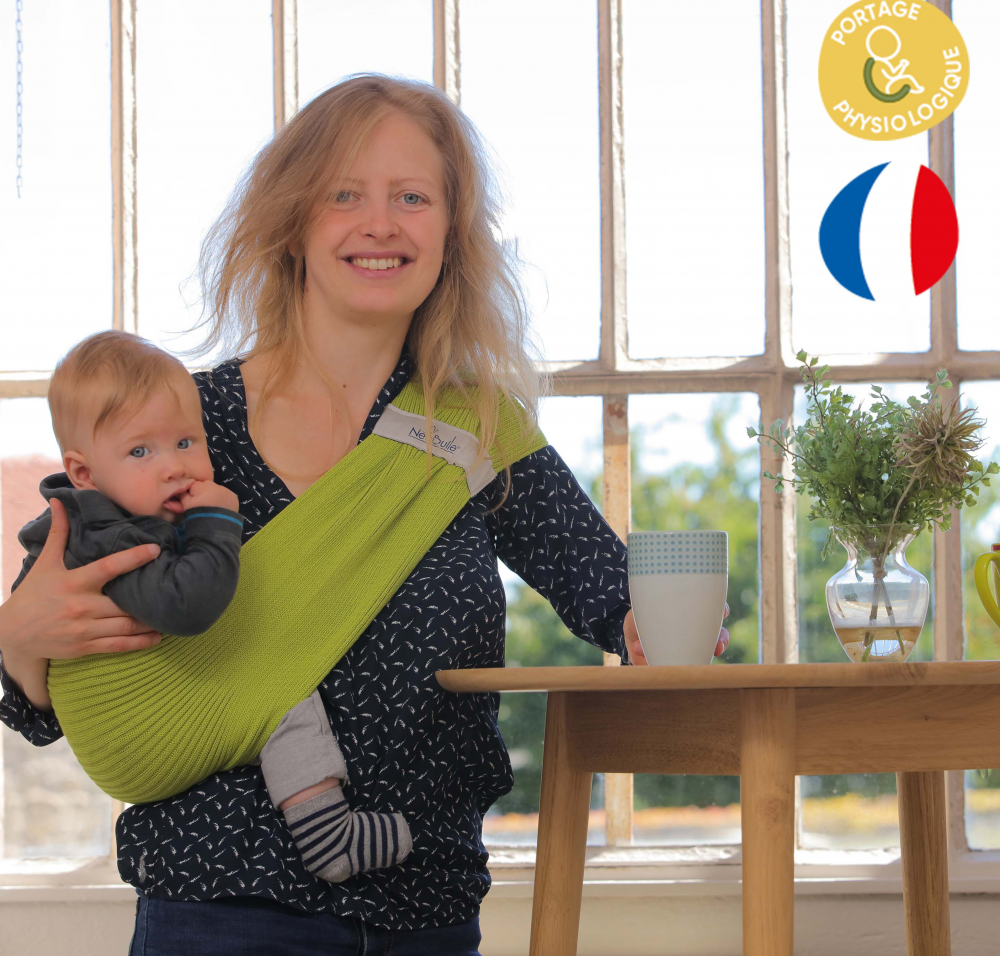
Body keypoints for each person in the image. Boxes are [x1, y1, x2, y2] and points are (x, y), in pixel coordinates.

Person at [0, 73, 729, 955]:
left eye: (411, 197)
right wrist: (18, 634)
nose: (380, 224)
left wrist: (658, 626)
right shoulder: (183, 429)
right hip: (219, 904)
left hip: (424, 906)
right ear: (294, 222)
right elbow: (44, 697)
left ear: (451, 233)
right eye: (345, 195)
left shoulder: (474, 430)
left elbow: (614, 594)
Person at [12, 329, 412, 884]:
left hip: (142, 746)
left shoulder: (95, 519)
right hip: (138, 736)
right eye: (140, 451)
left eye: (185, 442)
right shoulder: (108, 537)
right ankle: (327, 832)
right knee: (281, 698)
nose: (174, 466)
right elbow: (189, 605)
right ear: (84, 473)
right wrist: (217, 523)